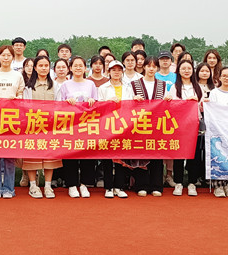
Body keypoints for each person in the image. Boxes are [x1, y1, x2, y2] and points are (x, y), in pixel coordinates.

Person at [0, 45, 25, 199]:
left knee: (9, 154)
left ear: (12, 58)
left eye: (9, 55)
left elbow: (21, 94)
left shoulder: (17, 76)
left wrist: (16, 99)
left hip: (11, 118)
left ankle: (8, 188)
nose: (6, 58)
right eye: (3, 55)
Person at [56, 56, 98, 198]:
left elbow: (97, 103)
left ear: (85, 68)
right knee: (70, 154)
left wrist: (92, 101)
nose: (78, 68)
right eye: (75, 65)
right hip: (70, 125)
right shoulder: (65, 85)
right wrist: (67, 102)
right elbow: (59, 104)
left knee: (86, 155)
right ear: (70, 68)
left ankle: (85, 184)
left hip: (87, 125)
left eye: (81, 65)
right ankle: (72, 185)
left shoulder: (91, 84)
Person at [22, 55, 62, 198]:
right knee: (33, 157)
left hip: (50, 127)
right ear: (35, 68)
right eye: (40, 66)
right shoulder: (28, 87)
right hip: (33, 126)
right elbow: (25, 106)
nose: (44, 68)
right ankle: (33, 185)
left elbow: (59, 105)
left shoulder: (55, 85)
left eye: (46, 66)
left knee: (50, 157)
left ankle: (48, 186)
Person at [164, 59, 203, 197]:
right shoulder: (174, 87)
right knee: (179, 155)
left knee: (194, 155)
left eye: (189, 68)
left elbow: (202, 107)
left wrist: (200, 103)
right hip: (179, 126)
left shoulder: (197, 87)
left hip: (194, 125)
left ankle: (192, 183)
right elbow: (171, 106)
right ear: (178, 71)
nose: (186, 71)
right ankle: (178, 182)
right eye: (183, 68)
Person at [97, 61, 135, 198]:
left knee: (121, 157)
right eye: (113, 70)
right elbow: (98, 107)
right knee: (107, 158)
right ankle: (108, 187)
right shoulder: (103, 88)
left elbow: (132, 105)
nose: (116, 72)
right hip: (108, 126)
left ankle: (119, 186)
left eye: (119, 70)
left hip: (123, 125)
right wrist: (108, 103)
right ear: (109, 72)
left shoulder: (128, 87)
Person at [131, 56, 166, 197]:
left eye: (154, 66)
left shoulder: (163, 85)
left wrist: (168, 99)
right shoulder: (134, 84)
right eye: (149, 66)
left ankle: (156, 185)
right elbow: (127, 102)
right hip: (140, 124)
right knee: (141, 153)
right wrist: (133, 99)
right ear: (144, 67)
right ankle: (141, 185)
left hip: (157, 124)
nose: (151, 69)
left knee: (157, 153)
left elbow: (168, 102)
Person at [207, 67, 228, 197]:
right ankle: (218, 186)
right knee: (218, 157)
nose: (227, 78)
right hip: (217, 130)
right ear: (219, 78)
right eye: (224, 76)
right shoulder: (214, 93)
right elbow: (212, 110)